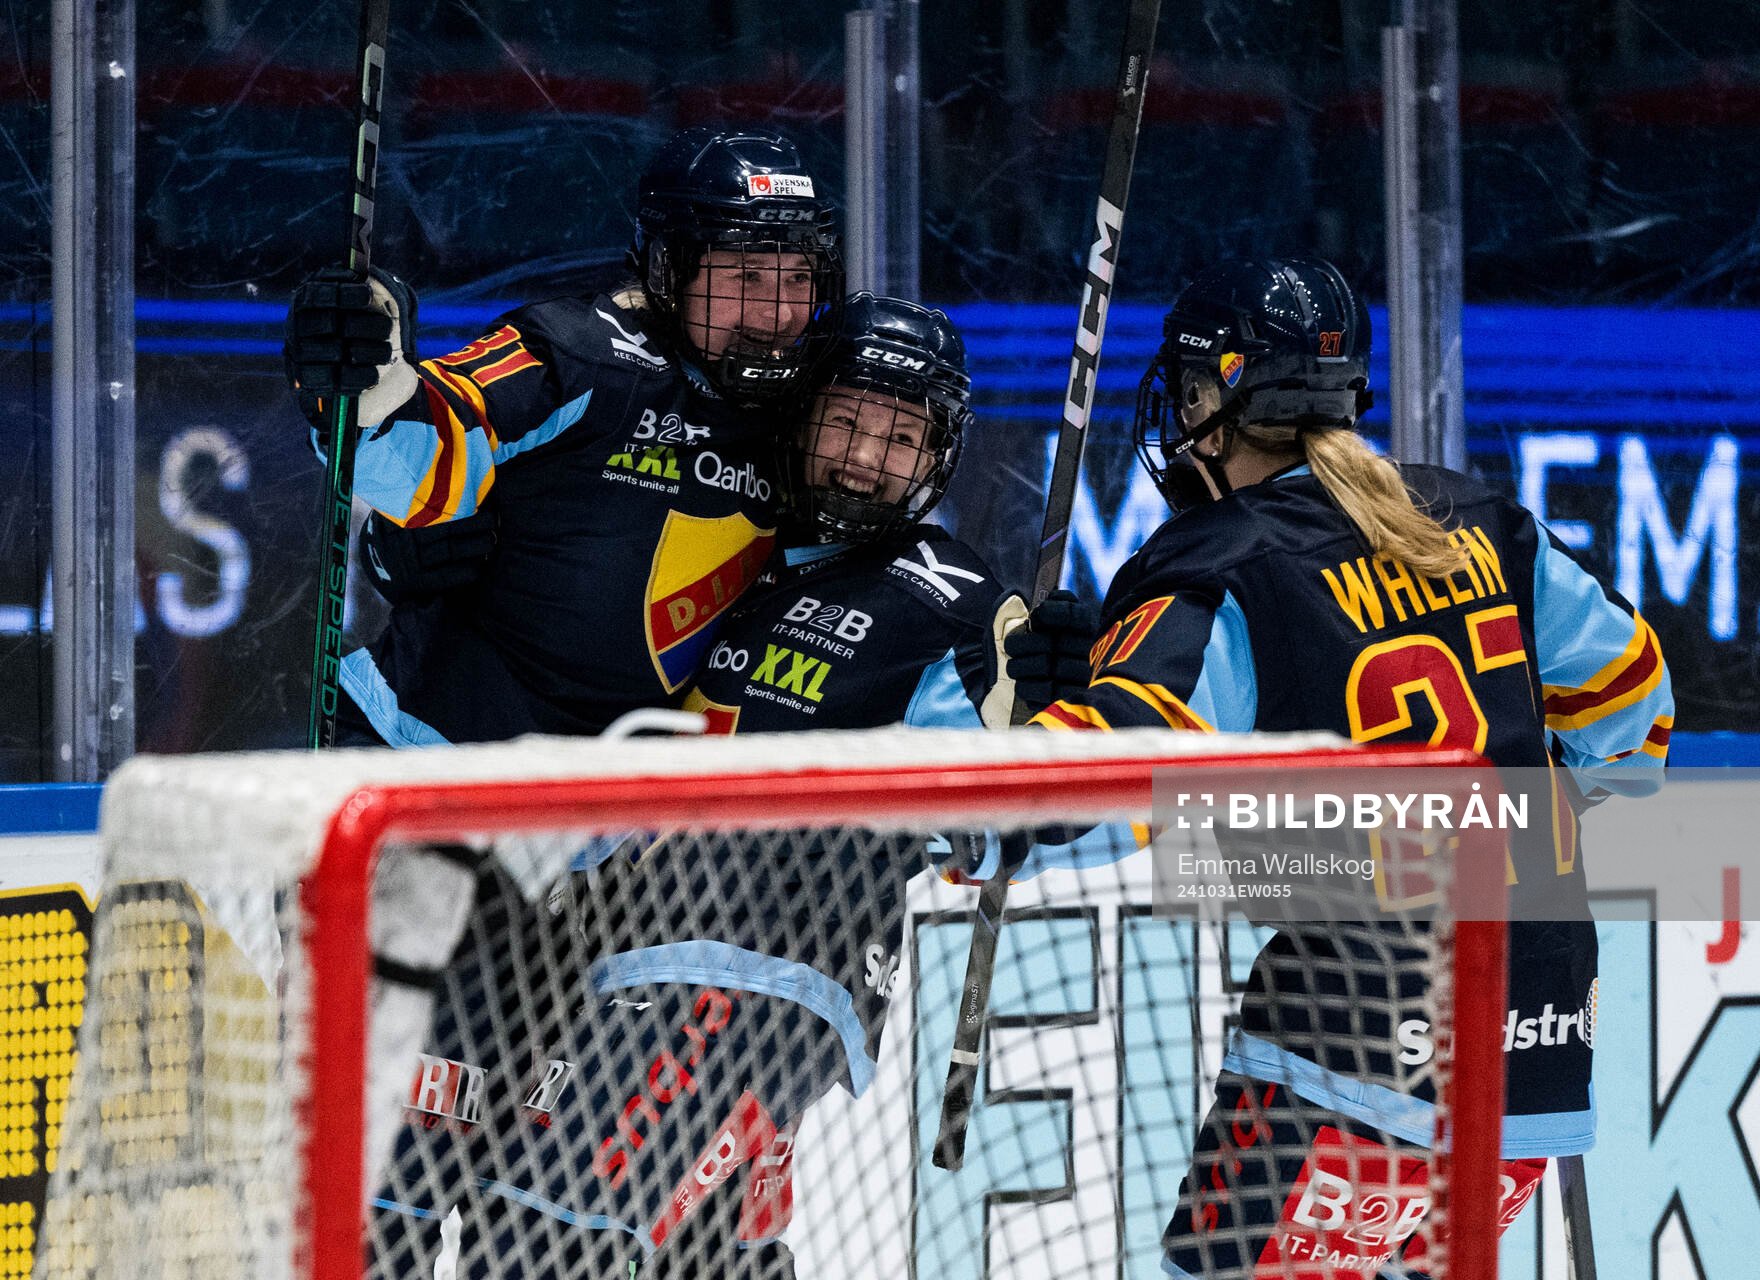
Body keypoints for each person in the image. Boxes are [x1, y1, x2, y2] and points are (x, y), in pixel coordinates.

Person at [363, 295, 1102, 1280]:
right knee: (587, 1228)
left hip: (772, 967)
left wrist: (1048, 730)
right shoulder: (741, 561)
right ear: (800, 423)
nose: (866, 456)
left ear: (938, 453)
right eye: (845, 421)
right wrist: (400, 548)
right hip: (621, 949)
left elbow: (1018, 821)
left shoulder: (949, 600)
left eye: (899, 435)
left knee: (549, 1232)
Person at [1027, 256, 1674, 1279]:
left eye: (1194, 391)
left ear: (1220, 402)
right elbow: (1636, 723)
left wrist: (1030, 719)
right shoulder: (1482, 525)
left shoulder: (1221, 562)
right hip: (1540, 1016)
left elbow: (1100, 794)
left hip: (1354, 1028)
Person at [284, 125, 844, 747]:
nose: (781, 313)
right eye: (746, 279)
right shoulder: (578, 354)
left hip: (590, 808)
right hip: (417, 753)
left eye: (799, 278)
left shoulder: (807, 405)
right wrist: (372, 389)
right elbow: (421, 455)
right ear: (668, 267)